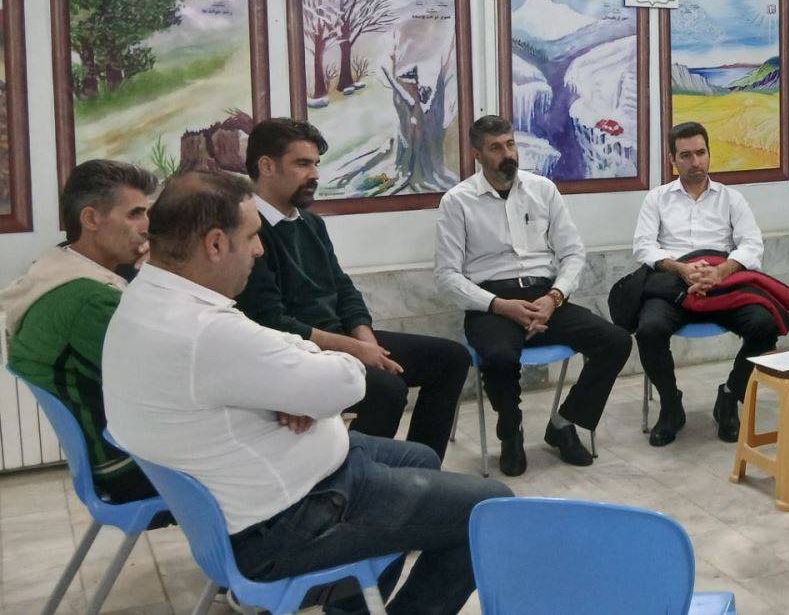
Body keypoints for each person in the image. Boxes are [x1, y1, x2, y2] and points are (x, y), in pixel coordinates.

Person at [103, 171, 512, 615]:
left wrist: (298, 388)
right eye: (252, 237)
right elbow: (348, 380)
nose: (259, 250)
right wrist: (310, 385)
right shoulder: (206, 332)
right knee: (492, 509)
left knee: (420, 458)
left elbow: (275, 347)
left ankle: (354, 606)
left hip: (267, 489)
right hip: (288, 521)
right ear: (216, 244)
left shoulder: (147, 299)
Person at [234, 118, 470, 462]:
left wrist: (366, 340)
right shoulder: (249, 233)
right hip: (296, 354)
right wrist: (356, 350)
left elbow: (343, 288)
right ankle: (356, 476)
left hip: (340, 340)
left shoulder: (310, 223)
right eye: (302, 164)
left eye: (316, 164)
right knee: (388, 389)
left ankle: (422, 468)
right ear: (266, 166)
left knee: (451, 358)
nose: (314, 175)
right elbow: (271, 322)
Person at [435, 115, 632, 475]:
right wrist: (499, 305)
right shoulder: (457, 201)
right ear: (477, 154)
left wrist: (554, 297)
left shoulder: (543, 190)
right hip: (491, 302)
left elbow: (573, 253)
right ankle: (511, 432)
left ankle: (564, 423)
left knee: (615, 341)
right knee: (499, 356)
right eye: (496, 148)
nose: (507, 154)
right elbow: (447, 276)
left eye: (510, 144)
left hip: (545, 297)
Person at [2, 160, 159, 503]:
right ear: (90, 219)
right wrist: (160, 280)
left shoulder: (55, 268)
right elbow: (164, 379)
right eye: (135, 214)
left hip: (109, 453)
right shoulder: (89, 300)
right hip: (125, 466)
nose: (147, 227)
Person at [631, 122, 772, 447]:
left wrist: (721, 271)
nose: (695, 162)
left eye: (700, 153)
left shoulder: (731, 199)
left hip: (722, 282)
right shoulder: (657, 199)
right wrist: (680, 268)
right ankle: (671, 405)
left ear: (708, 153)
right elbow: (643, 247)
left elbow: (752, 244)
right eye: (686, 155)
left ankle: (729, 396)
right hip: (673, 285)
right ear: (672, 159)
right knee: (649, 330)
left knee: (765, 325)